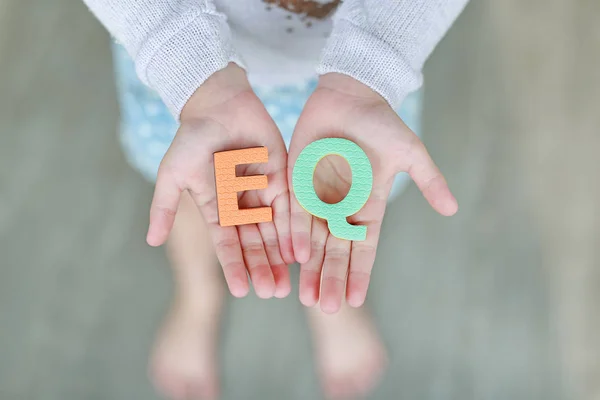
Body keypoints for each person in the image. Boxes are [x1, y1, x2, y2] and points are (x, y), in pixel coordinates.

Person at [84, 1, 466, 398]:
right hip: (180, 67)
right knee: (193, 190)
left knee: (345, 184)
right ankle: (198, 293)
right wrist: (193, 70)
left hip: (362, 68)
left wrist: (369, 73)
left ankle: (328, 298)